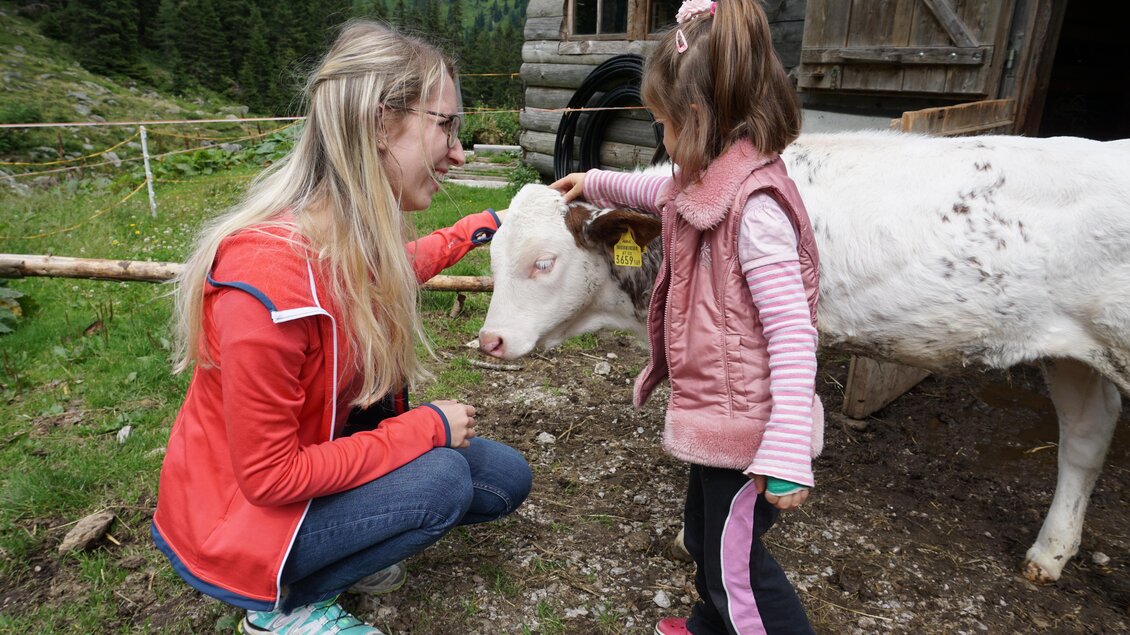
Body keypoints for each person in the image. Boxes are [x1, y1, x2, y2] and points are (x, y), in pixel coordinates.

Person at [151, 21, 532, 635]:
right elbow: (271, 477)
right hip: (240, 522)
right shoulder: (266, 284)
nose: (458, 153)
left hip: (303, 481)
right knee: (439, 480)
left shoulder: (346, 243)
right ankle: (277, 610)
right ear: (382, 125)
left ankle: (344, 547)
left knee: (502, 479)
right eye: (445, 125)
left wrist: (479, 227)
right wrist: (424, 428)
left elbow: (399, 268)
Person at [551, 1, 820, 633]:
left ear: (695, 120)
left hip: (752, 435)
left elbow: (793, 333)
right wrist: (593, 181)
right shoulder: (709, 181)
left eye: (662, 126)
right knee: (706, 539)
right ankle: (708, 625)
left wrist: (785, 449)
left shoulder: (755, 212)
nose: (662, 141)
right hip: (719, 416)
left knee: (739, 567)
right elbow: (655, 192)